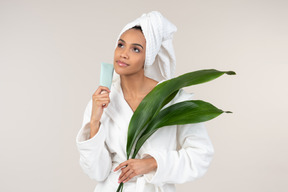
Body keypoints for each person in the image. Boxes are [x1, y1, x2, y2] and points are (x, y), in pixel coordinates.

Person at [76, 11, 214, 192]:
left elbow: (200, 156)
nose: (124, 54)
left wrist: (152, 163)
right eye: (120, 45)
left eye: (135, 49)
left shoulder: (173, 99)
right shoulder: (102, 102)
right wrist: (94, 122)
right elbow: (97, 173)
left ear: (148, 57)